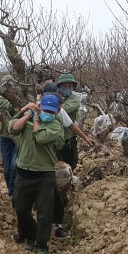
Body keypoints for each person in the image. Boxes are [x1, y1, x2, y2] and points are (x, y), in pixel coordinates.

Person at [9, 94, 64, 254]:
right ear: (39, 107)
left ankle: (41, 245)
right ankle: (31, 235)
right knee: (20, 207)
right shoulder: (29, 117)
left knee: (44, 213)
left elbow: (40, 138)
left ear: (56, 112)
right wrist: (25, 112)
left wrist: (37, 120)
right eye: (45, 110)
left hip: (44, 174)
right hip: (24, 171)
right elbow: (12, 128)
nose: (47, 113)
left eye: (51, 111)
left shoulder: (55, 125)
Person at [40, 81, 94, 238]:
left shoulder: (58, 110)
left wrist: (85, 137)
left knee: (56, 188)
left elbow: (71, 125)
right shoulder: (34, 110)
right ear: (41, 97)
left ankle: (57, 224)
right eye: (46, 97)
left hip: (53, 156)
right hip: (36, 159)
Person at [0, 76, 18, 197]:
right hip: (6, 137)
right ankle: (10, 189)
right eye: (7, 86)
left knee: (15, 165)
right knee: (7, 168)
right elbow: (9, 108)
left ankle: (13, 192)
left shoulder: (19, 98)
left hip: (18, 137)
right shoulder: (0, 98)